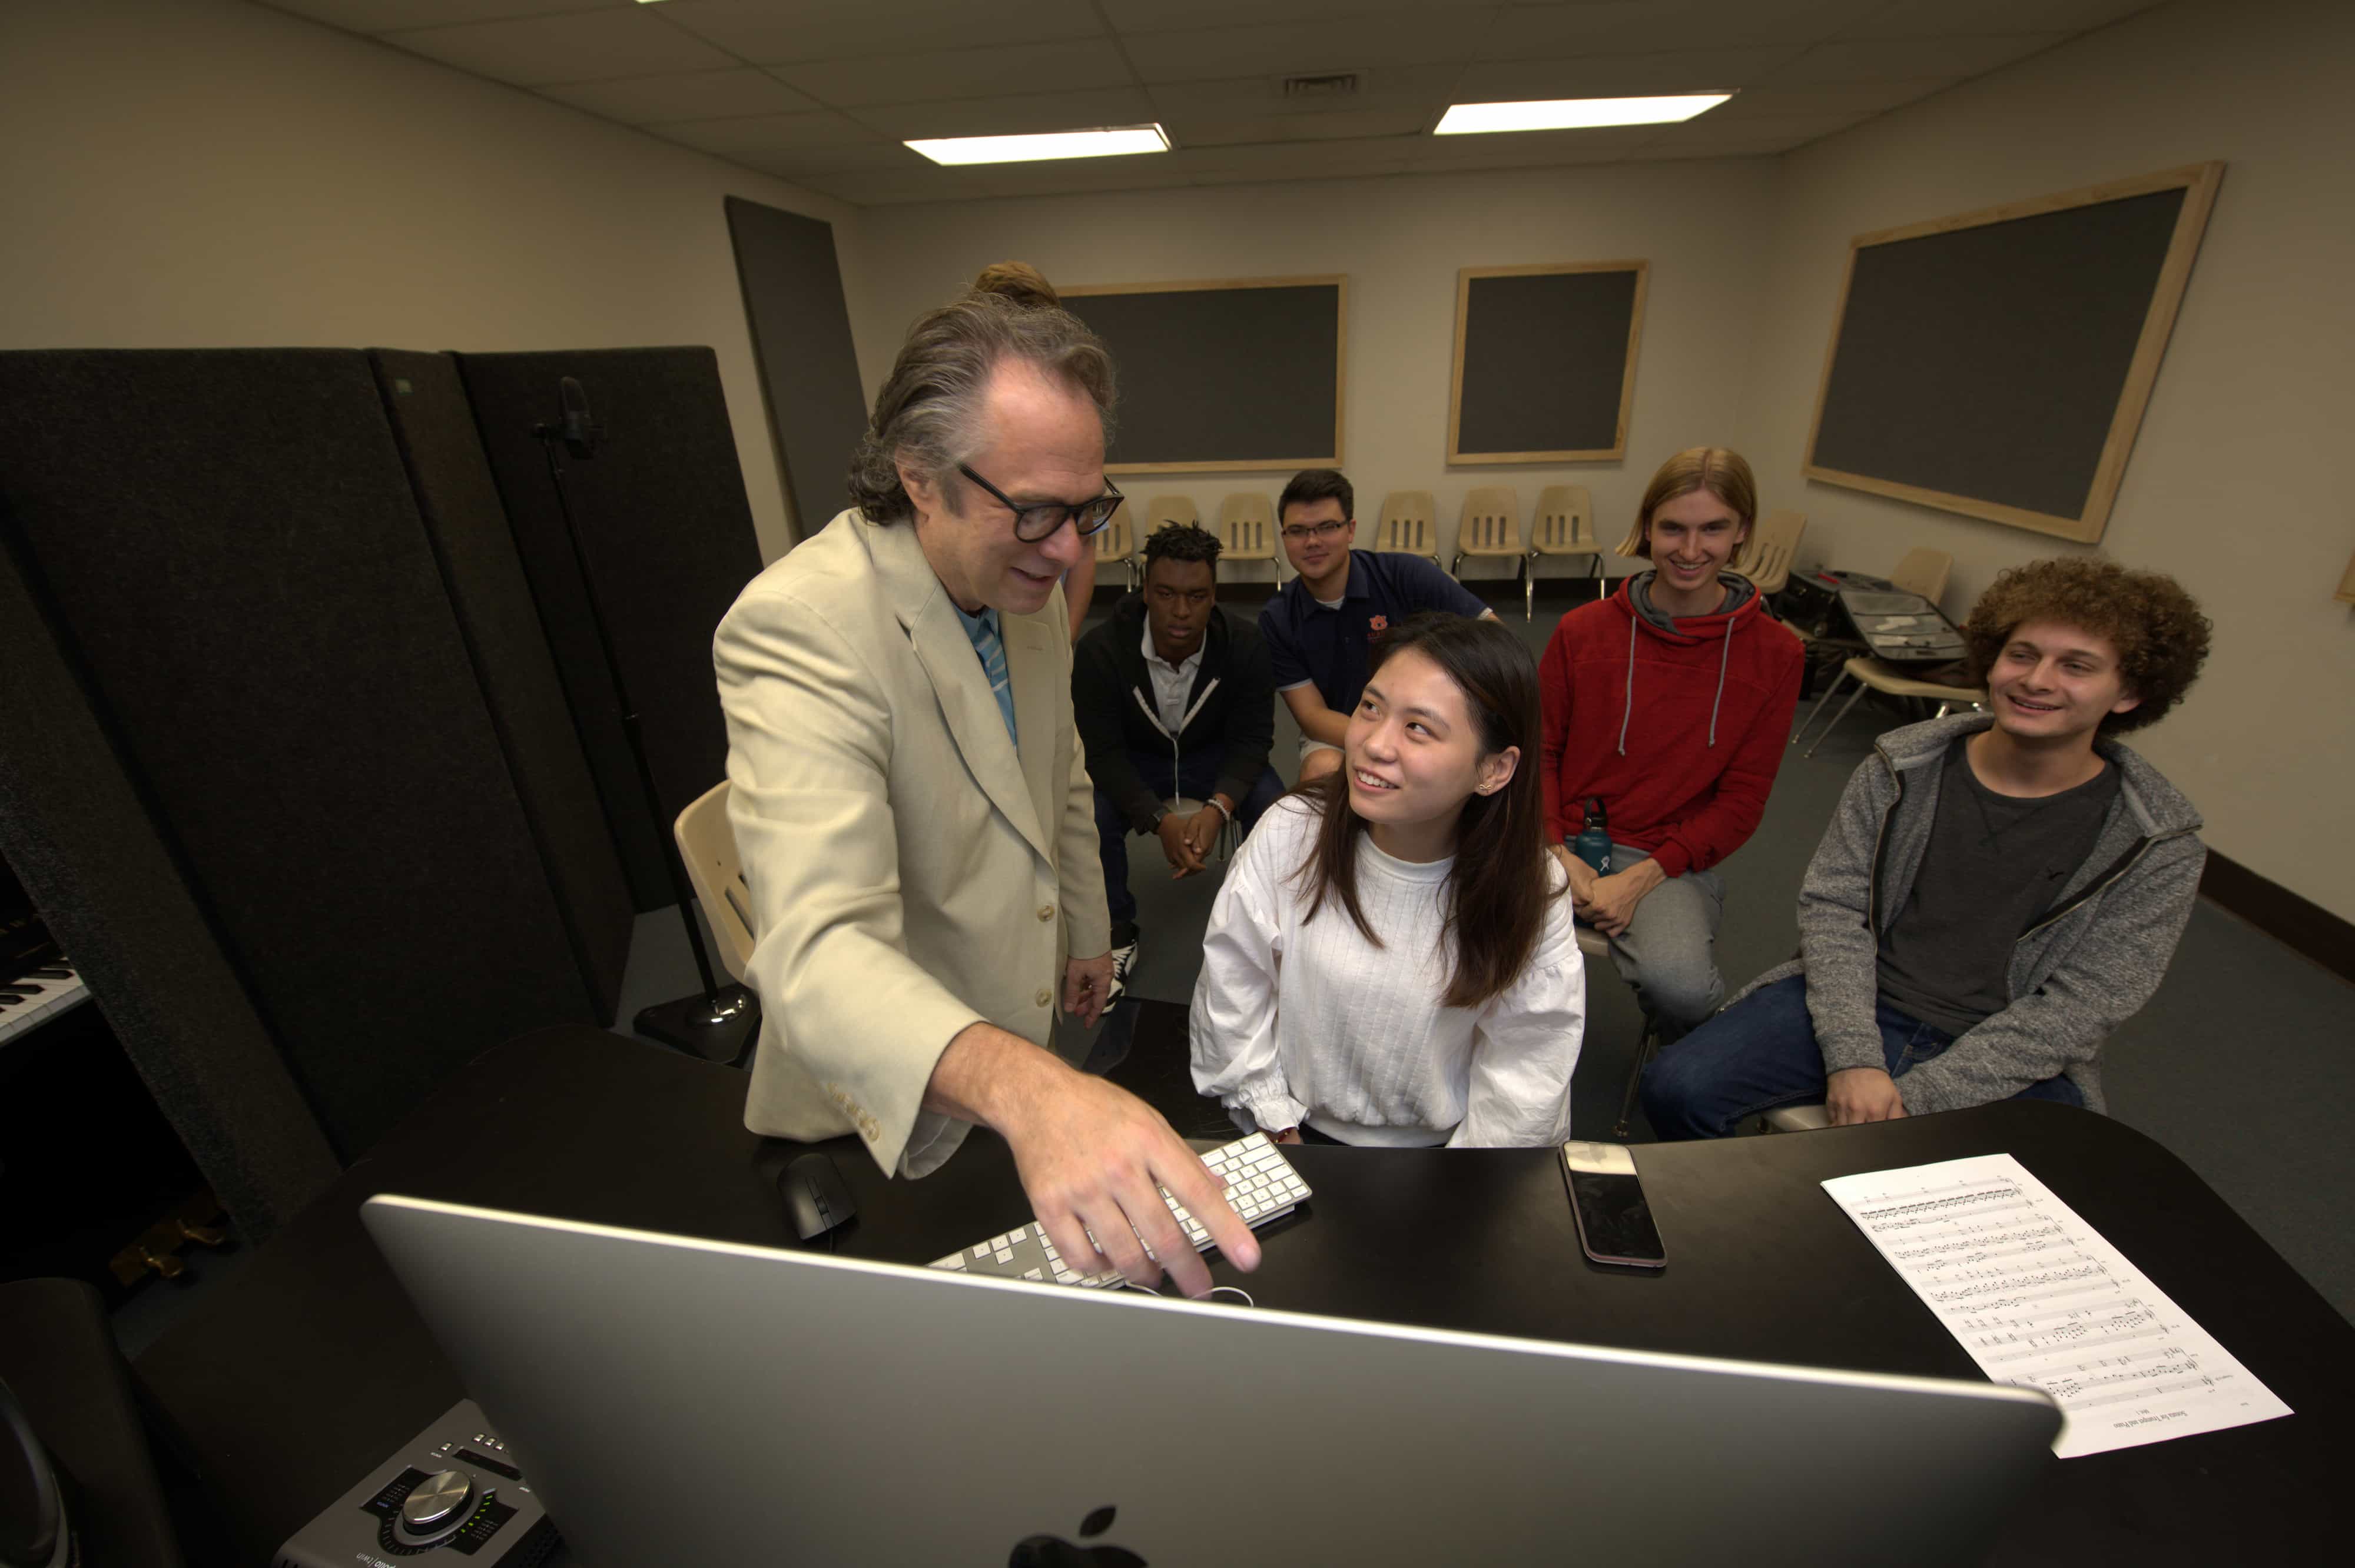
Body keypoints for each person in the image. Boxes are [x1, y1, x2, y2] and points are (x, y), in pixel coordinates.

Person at [714, 274, 1257, 1295]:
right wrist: (1033, 1087)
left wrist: (1089, 929)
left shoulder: (1023, 584)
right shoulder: (800, 627)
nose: (1070, 548)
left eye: (1090, 506)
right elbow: (819, 951)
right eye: (1040, 510)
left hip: (1018, 1040)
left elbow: (1056, 774)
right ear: (920, 476)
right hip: (881, 1119)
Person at [1641, 557, 2213, 1138]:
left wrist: (1921, 1099)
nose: (2036, 680)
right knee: (1677, 1087)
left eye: (2076, 666)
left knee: (2049, 1194)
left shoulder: (2156, 844)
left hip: (2007, 1043)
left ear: (2130, 692)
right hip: (1863, 999)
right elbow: (1835, 912)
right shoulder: (1899, 771)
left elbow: (2083, 1007)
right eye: (2021, 654)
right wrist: (1855, 1058)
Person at [1191, 613, 1584, 1148]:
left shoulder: (1532, 887)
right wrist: (1271, 1115)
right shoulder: (1293, 832)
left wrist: (1464, 1183)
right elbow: (1234, 985)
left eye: (1418, 728)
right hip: (1295, 1131)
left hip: (1453, 1159)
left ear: (1494, 769)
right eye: (1370, 708)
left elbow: (1530, 1066)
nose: (1374, 744)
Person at [1536, 446, 1802, 1040]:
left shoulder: (1777, 654)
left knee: (1682, 993)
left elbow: (1742, 800)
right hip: (1553, 838)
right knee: (1449, 942)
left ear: (1742, 533)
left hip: (1667, 856)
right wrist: (1556, 851)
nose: (1689, 550)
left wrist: (1644, 877)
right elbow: (1540, 752)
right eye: (1672, 529)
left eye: (1713, 529)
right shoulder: (1583, 631)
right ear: (1646, 528)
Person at [1072, 521, 1284, 991]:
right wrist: (1155, 817)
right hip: (1136, 761)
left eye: (1197, 596)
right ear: (1145, 591)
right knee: (1088, 813)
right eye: (1167, 594)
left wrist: (1219, 807)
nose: (1182, 612)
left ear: (1214, 596)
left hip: (1213, 757)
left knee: (1275, 806)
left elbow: (1253, 741)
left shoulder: (1245, 646)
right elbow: (1102, 754)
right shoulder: (1100, 652)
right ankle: (1118, 930)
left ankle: (1266, 930)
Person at [1259, 469, 1495, 785]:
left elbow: (1495, 635)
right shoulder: (1277, 618)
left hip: (1425, 723)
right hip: (1339, 730)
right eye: (1298, 531)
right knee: (1321, 772)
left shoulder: (1404, 575)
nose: (1312, 541)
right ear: (1284, 537)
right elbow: (1313, 717)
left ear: (1351, 529)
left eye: (1327, 527)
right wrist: (1379, 741)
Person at [971, 261, 1097, 645]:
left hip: (1040, 615)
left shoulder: (1074, 414)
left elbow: (1084, 548)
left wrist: (1065, 640)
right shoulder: (959, 410)